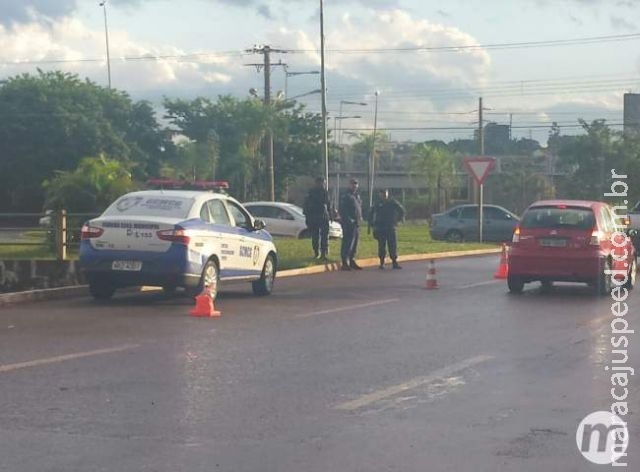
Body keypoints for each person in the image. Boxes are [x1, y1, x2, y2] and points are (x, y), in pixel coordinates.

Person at [369, 188, 405, 269]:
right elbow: (371, 213)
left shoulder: (392, 202)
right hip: (380, 228)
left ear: (388, 194)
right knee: (381, 246)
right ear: (379, 194)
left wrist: (398, 220)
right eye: (382, 193)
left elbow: (401, 210)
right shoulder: (377, 203)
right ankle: (382, 263)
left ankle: (394, 262)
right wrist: (372, 224)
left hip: (390, 227)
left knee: (392, 245)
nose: (384, 194)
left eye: (385, 193)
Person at [303, 176, 331, 260]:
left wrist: (331, 214)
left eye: (324, 183)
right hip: (314, 216)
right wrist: (308, 217)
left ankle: (323, 253)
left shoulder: (325, 192)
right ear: (317, 183)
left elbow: (328, 204)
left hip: (323, 216)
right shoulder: (311, 193)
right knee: (315, 236)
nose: (323, 185)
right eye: (322, 183)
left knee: (324, 235)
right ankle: (317, 252)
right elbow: (306, 205)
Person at [339, 178, 363, 271]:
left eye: (356, 184)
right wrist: (349, 220)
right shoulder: (346, 196)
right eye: (353, 184)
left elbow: (358, 209)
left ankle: (352, 260)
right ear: (349, 185)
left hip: (356, 223)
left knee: (355, 243)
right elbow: (343, 210)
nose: (355, 186)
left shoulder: (356, 196)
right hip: (349, 223)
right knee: (347, 243)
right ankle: (345, 262)